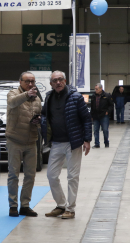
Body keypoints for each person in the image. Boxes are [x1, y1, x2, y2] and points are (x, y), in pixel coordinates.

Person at [41, 70, 92, 219]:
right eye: (55, 80)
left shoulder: (75, 97)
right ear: (51, 83)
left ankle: (70, 208)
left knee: (72, 176)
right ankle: (60, 205)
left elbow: (86, 119)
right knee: (51, 175)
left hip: (73, 143)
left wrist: (87, 140)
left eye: (60, 79)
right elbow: (45, 114)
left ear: (65, 80)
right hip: (56, 142)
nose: (58, 82)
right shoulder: (49, 97)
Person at [6, 71, 42, 217]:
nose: (30, 84)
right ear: (20, 81)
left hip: (31, 141)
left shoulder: (37, 99)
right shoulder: (13, 94)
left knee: (30, 175)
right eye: (27, 81)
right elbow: (12, 103)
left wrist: (39, 121)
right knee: (13, 175)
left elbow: (39, 116)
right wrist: (27, 95)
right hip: (15, 140)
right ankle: (13, 205)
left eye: (32, 81)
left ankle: (25, 205)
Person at [90, 83, 114, 148]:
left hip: (104, 116)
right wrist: (91, 115)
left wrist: (107, 112)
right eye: (95, 89)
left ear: (101, 89)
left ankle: (106, 142)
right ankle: (97, 144)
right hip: (95, 116)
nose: (95, 90)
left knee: (105, 130)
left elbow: (111, 105)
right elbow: (92, 106)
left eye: (97, 89)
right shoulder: (93, 96)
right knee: (95, 130)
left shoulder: (107, 95)